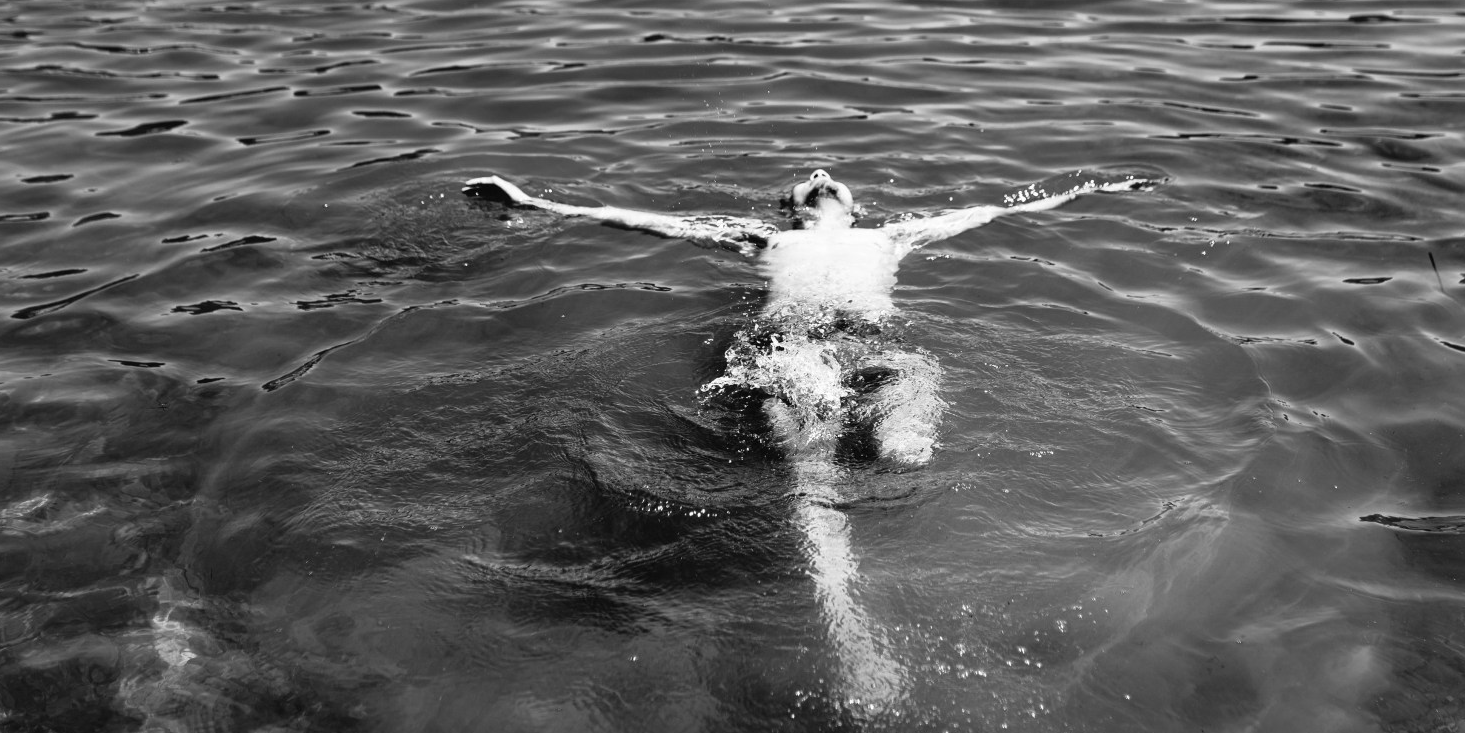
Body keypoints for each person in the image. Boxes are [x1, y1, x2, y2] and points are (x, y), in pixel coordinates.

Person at [459, 168, 1154, 465]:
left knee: (905, 426)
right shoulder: (762, 236)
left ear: (856, 210)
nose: (820, 175)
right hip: (789, 339)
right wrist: (537, 206)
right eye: (805, 183)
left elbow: (1000, 210)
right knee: (802, 429)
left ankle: (878, 449)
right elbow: (648, 225)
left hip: (875, 339)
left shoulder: (892, 236)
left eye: (832, 180)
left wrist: (1098, 188)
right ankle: (809, 458)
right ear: (788, 210)